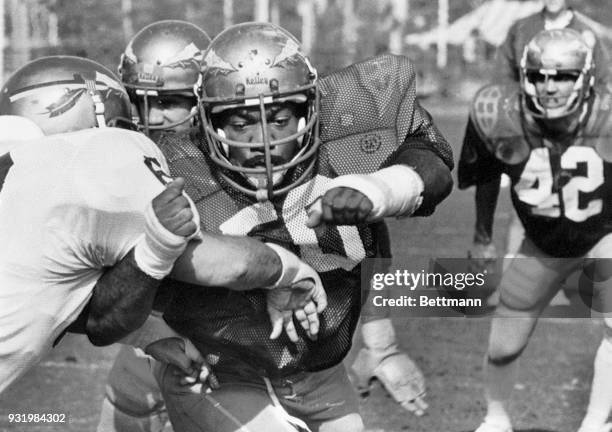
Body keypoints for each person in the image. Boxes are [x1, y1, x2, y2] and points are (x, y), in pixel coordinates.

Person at [150, 22, 453, 432]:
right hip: (219, 372)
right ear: (208, 123)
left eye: (278, 119)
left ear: (310, 110)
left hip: (316, 374)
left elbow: (431, 165)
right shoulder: (179, 170)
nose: (263, 141)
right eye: (241, 124)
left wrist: (378, 189)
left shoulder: (341, 141)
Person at [0, 55, 325, 395]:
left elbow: (54, 299)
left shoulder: (19, 179)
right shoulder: (90, 155)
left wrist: (149, 334)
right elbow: (229, 265)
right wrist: (288, 269)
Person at [459, 28, 612, 432]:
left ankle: (596, 422)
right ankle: (496, 418)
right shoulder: (499, 112)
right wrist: (481, 237)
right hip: (542, 241)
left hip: (604, 234)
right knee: (504, 344)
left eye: (562, 75)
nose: (549, 86)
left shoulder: (607, 115)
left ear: (585, 79)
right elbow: (487, 176)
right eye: (540, 75)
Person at [98, 20, 212, 432]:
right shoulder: (115, 162)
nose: (151, 118)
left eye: (168, 101)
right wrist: (147, 332)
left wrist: (381, 340)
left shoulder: (238, 167)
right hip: (141, 368)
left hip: (222, 370)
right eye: (139, 101)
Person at [495, 0, 611, 85]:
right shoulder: (521, 29)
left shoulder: (584, 33)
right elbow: (503, 71)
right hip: (528, 107)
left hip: (574, 110)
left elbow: (602, 76)